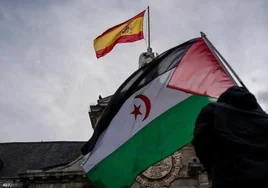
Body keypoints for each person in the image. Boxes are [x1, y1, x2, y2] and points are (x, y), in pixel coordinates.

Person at [192, 86, 268, 188]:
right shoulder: (264, 118)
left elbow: (201, 142)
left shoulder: (213, 111)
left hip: (230, 177)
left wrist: (214, 167)